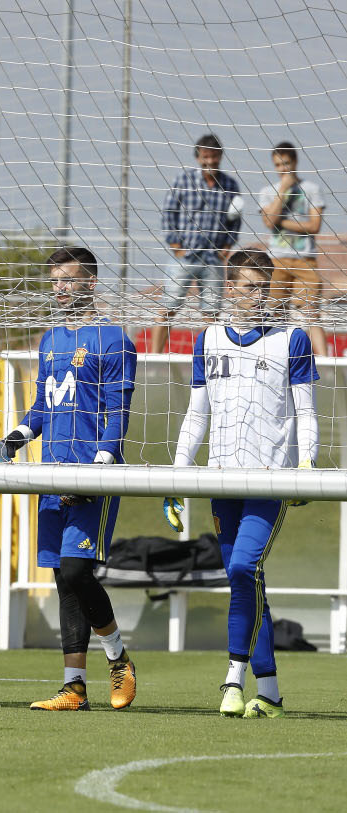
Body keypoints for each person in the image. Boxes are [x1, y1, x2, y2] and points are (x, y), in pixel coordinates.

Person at [165, 249, 317, 719]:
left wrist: (306, 464)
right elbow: (197, 412)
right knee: (247, 580)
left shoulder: (292, 339)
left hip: (269, 480)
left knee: (241, 569)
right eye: (250, 286)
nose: (260, 295)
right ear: (230, 288)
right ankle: (269, 691)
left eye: (265, 286)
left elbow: (307, 411)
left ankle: (232, 679)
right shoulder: (208, 338)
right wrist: (177, 472)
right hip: (222, 479)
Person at [0, 246, 138, 711]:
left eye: (69, 280)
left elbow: (118, 412)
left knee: (77, 570)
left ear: (91, 283)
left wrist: (99, 469)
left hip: (93, 473)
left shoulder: (114, 340)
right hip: (50, 472)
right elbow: (42, 409)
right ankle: (74, 687)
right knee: (62, 577)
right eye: (55, 281)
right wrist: (12, 440)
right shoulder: (49, 340)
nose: (60, 288)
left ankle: (117, 655)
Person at [152, 133, 243, 353]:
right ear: (198, 157)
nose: (210, 161)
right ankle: (153, 355)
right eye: (205, 156)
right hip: (185, 256)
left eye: (214, 156)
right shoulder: (183, 179)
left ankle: (207, 355)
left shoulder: (230, 185)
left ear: (220, 156)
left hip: (213, 259)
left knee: (211, 313)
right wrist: (174, 244)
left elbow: (235, 220)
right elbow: (168, 212)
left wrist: (227, 248)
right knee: (168, 306)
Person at [257, 142, 328, 357]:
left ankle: (325, 362)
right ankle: (279, 357)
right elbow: (269, 223)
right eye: (278, 164)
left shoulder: (312, 189)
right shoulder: (268, 192)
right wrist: (283, 190)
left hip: (305, 259)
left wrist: (281, 221)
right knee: (277, 313)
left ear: (295, 162)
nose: (282, 168)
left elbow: (314, 226)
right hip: (277, 259)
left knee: (311, 311)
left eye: (286, 163)